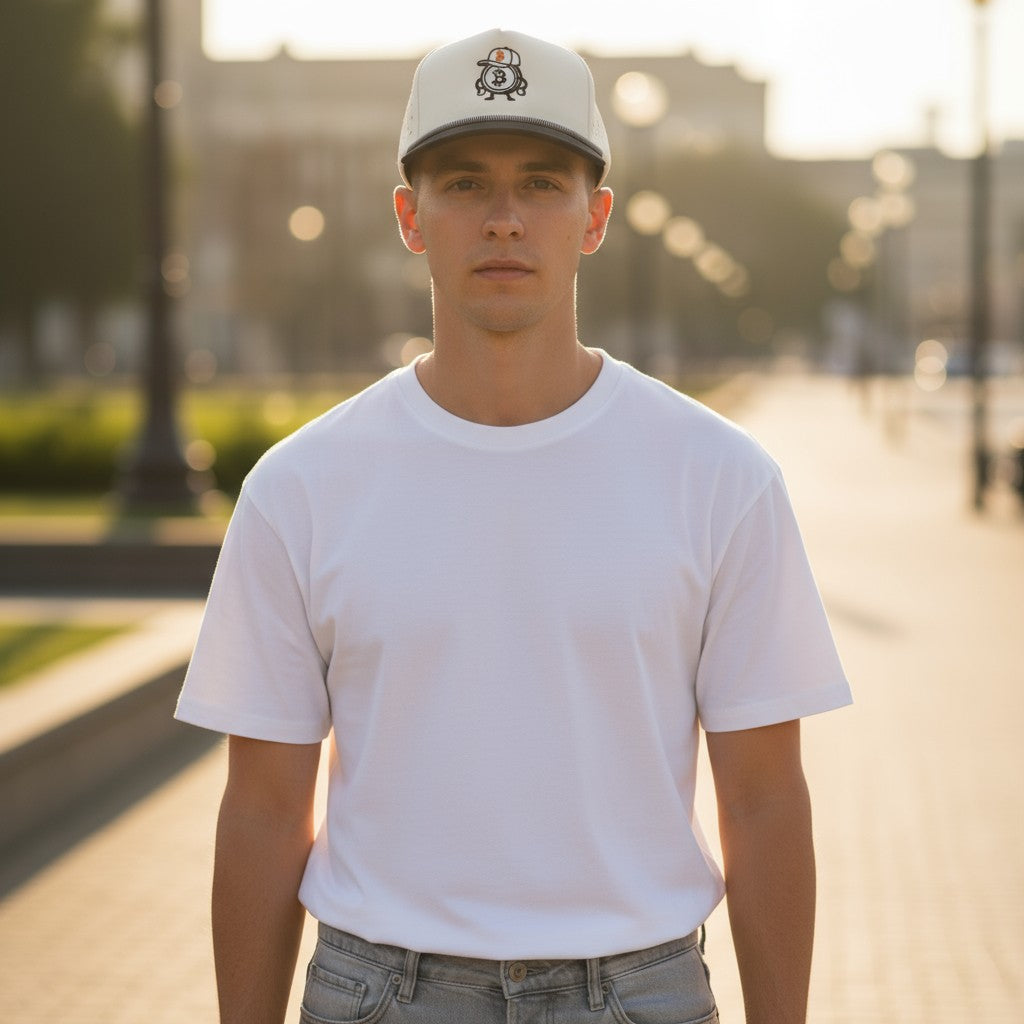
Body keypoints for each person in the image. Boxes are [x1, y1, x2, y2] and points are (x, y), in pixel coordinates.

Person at [175, 27, 852, 1024]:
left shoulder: (720, 478)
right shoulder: (302, 487)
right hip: (379, 990)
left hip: (639, 990)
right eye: (463, 184)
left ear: (595, 217)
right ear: (410, 216)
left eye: (541, 183)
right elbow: (268, 810)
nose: (503, 219)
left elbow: (761, 800)